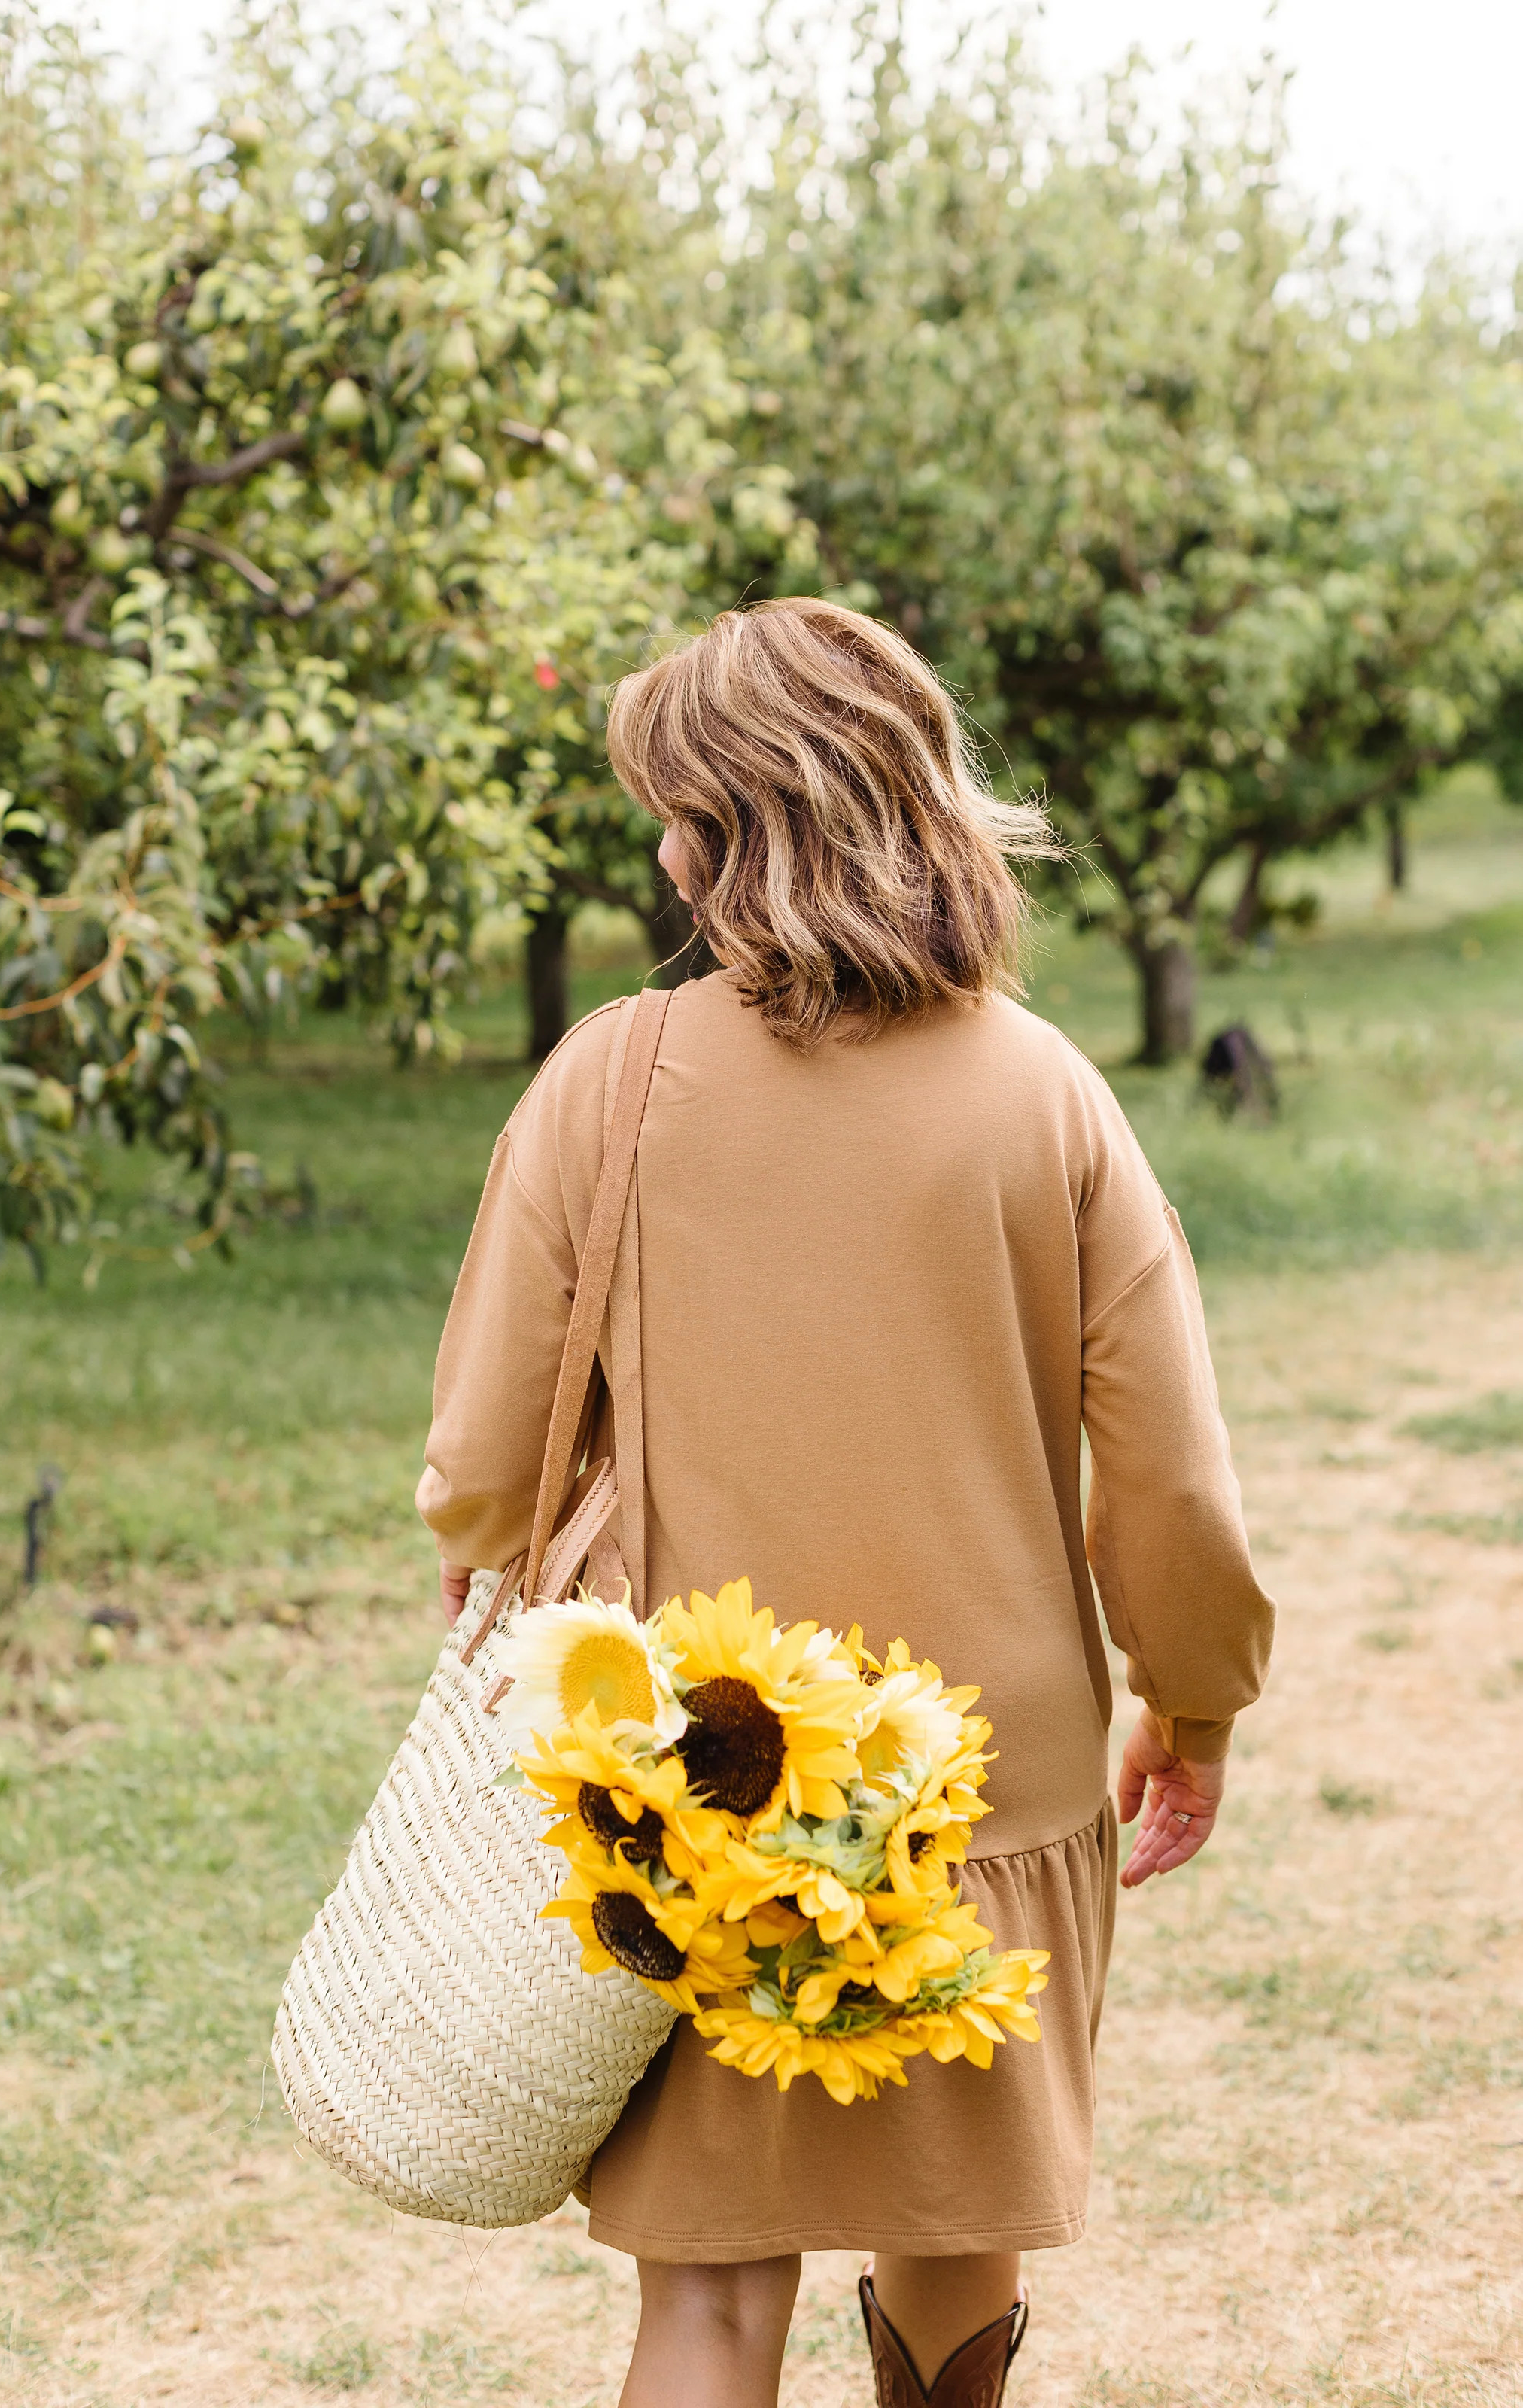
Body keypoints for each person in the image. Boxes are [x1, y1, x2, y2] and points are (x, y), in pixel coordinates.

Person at [417, 599, 1274, 2408]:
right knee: (953, 2278)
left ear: (743, 824)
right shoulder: (1046, 1092)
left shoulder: (607, 1082)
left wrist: (487, 1551)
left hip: (689, 1792)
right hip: (984, 1790)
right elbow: (1172, 1481)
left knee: (712, 2306)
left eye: (673, 807)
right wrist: (1185, 1705)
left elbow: (484, 1464)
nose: (655, 846)